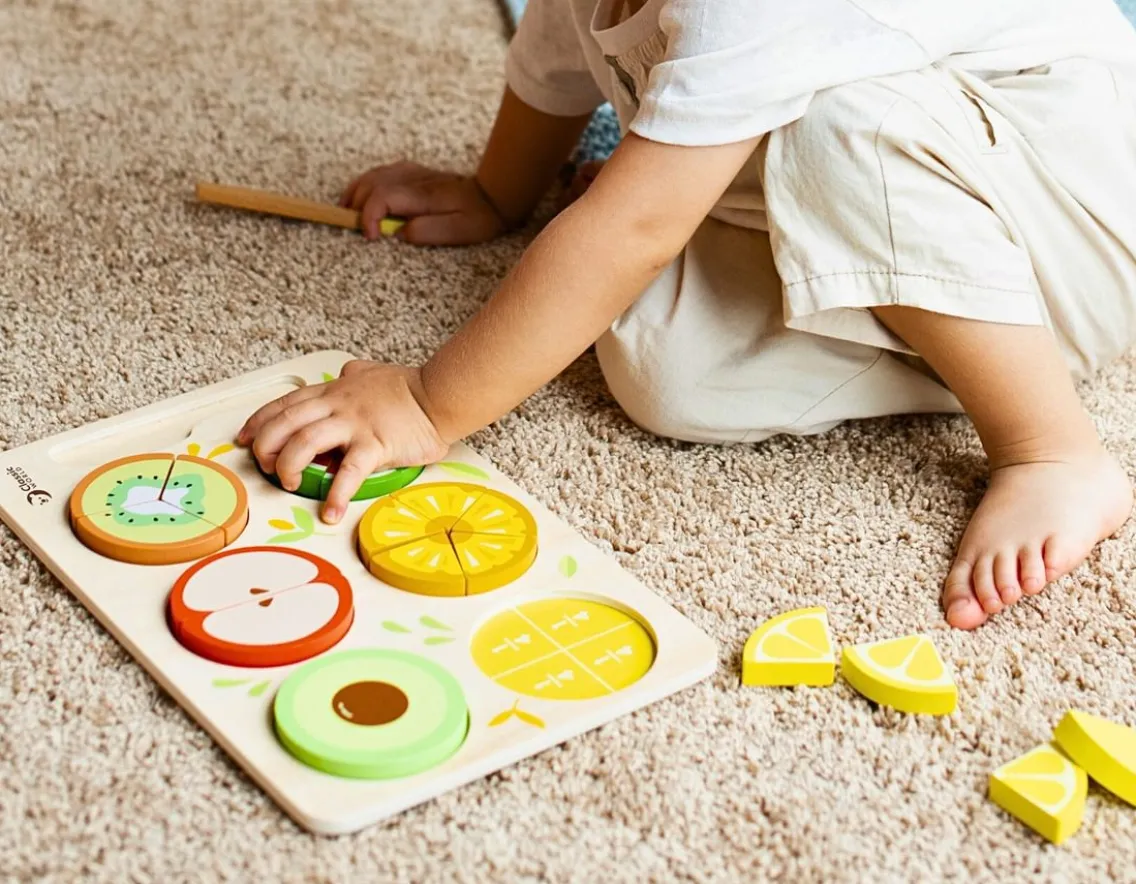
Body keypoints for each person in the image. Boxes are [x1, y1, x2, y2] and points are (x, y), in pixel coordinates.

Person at [239, 0, 1136, 630]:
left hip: (1076, 231)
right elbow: (559, 58)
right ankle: (953, 339)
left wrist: (426, 404)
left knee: (830, 131)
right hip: (944, 232)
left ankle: (1049, 447)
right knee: (663, 370)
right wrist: (495, 192)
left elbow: (633, 230)